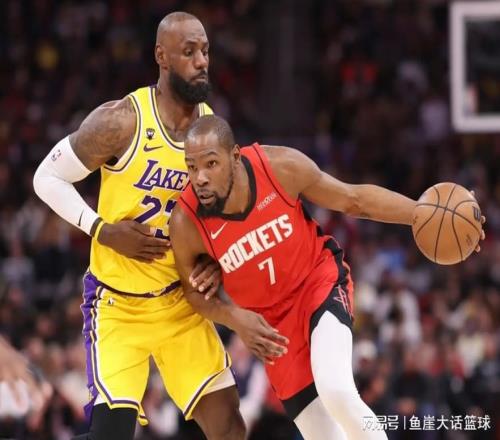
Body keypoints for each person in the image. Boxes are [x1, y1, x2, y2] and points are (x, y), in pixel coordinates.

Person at [169, 115, 485, 440]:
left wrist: (425, 214)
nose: (200, 178)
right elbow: (191, 292)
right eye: (192, 167)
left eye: (211, 164)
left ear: (235, 156)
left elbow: (353, 200)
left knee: (336, 390)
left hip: (317, 285)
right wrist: (235, 319)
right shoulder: (185, 222)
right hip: (271, 326)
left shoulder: (280, 167)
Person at [32, 12, 268, 440]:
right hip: (119, 306)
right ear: (162, 56)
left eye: (205, 51)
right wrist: (102, 229)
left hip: (180, 303)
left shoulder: (211, 131)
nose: (202, 61)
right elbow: (46, 178)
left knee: (231, 428)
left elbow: (222, 215)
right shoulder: (121, 121)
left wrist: (214, 260)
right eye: (189, 52)